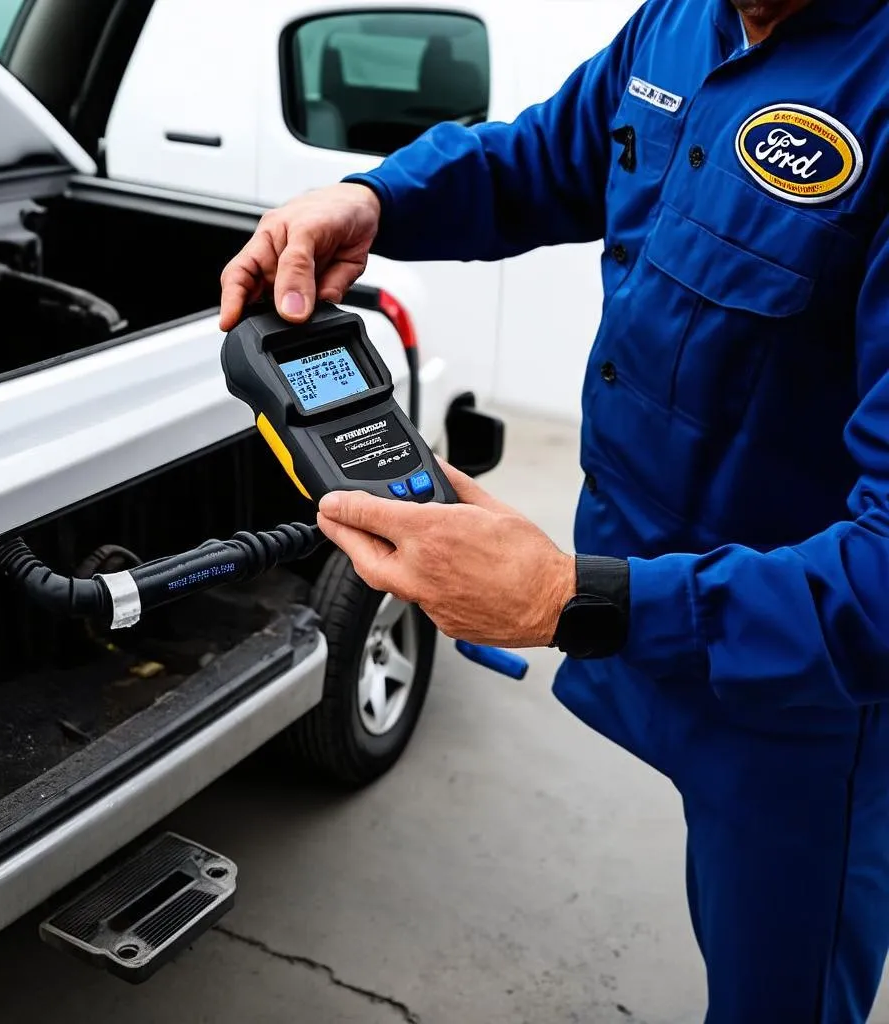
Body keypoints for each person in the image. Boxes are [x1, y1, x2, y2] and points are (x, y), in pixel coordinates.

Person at [219, 0, 889, 1020]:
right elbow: (542, 159)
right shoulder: (680, 23)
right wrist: (373, 199)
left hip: (802, 703)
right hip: (652, 622)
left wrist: (571, 600)